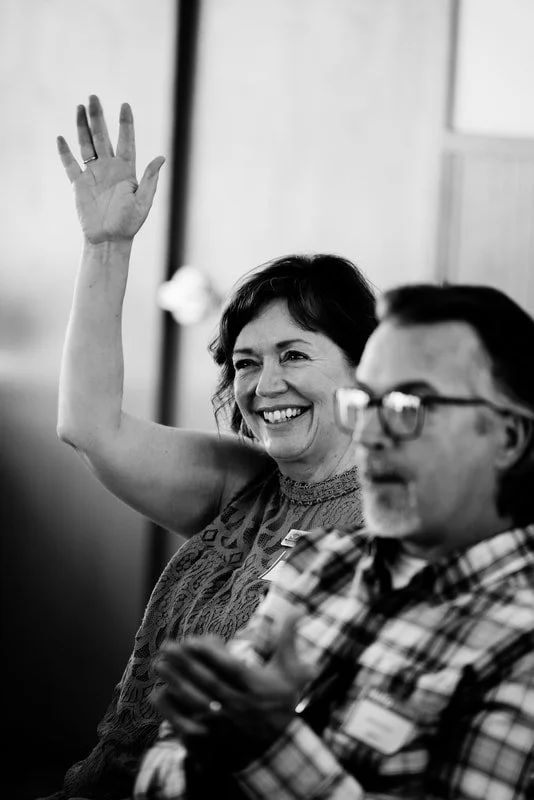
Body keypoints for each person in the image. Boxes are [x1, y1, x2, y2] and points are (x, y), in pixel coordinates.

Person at [43, 95, 377, 800]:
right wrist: (107, 248)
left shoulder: (395, 521)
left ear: (362, 370)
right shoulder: (241, 481)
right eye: (247, 362)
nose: (264, 384)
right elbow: (89, 424)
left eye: (294, 355)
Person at [135, 283, 534, 800]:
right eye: (362, 403)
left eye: (408, 404)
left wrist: (268, 751)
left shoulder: (520, 637)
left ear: (507, 437)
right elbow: (174, 751)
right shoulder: (321, 561)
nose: (368, 433)